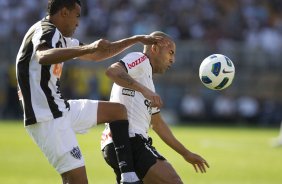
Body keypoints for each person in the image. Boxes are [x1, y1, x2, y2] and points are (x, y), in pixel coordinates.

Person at [15, 0, 166, 184]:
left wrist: (135, 40)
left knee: (117, 111)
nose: (78, 22)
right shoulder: (47, 30)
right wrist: (88, 47)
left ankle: (128, 177)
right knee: (78, 181)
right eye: (77, 16)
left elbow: (99, 54)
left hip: (60, 109)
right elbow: (42, 55)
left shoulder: (62, 38)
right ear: (64, 12)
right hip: (47, 118)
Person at [101, 31, 209, 184]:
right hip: (129, 140)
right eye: (170, 52)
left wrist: (186, 153)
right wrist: (145, 91)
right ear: (155, 48)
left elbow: (157, 124)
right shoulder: (141, 59)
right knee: (173, 181)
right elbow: (112, 71)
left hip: (117, 144)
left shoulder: (147, 81)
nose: (173, 59)